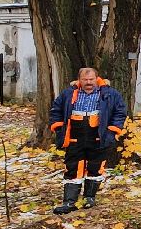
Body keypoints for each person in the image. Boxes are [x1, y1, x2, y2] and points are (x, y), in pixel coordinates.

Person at [48, 67, 127, 214]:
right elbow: (56, 111)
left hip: (98, 136)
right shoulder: (68, 93)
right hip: (74, 136)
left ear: (96, 78)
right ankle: (69, 202)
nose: (88, 82)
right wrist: (59, 128)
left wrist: (111, 132)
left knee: (95, 166)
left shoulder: (109, 94)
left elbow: (120, 112)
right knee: (72, 167)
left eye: (91, 79)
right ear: (80, 80)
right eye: (85, 80)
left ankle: (89, 199)